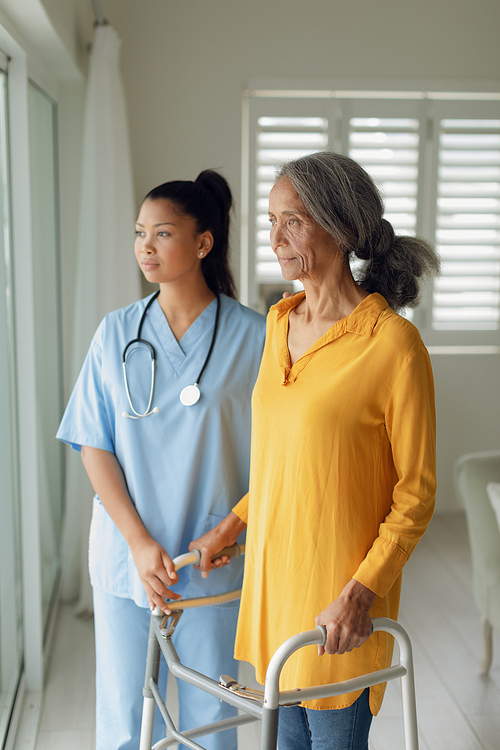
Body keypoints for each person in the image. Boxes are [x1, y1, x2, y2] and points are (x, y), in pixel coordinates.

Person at [190, 152, 440, 750]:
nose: (275, 238)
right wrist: (231, 524)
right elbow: (287, 464)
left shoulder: (394, 346)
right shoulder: (279, 322)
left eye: (293, 221)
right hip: (277, 589)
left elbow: (417, 492)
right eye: (272, 220)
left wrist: (362, 592)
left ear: (341, 227)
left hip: (337, 609)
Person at [56, 169, 266, 750]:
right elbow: (92, 441)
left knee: (210, 719)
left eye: (162, 233)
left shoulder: (256, 336)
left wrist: (233, 528)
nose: (145, 246)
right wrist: (139, 543)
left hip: (211, 556)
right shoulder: (116, 331)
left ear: (203, 242)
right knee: (125, 720)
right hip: (130, 556)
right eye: (139, 233)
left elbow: (281, 451)